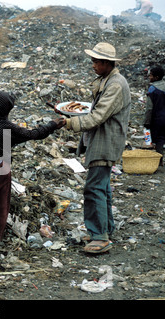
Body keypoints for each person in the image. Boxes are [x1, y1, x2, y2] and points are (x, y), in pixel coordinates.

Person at [0, 89, 66, 259]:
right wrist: (53, 124)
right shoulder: (7, 126)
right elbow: (34, 134)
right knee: (2, 206)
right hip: (4, 169)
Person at [61, 42, 131, 254]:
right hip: (102, 139)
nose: (92, 65)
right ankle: (106, 228)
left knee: (94, 188)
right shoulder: (106, 80)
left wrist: (69, 122)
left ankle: (100, 237)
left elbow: (98, 116)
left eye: (95, 62)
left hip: (106, 140)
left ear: (106, 63)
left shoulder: (116, 85)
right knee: (103, 187)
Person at [144, 66, 165, 166]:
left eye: (150, 75)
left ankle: (160, 160)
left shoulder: (152, 88)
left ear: (156, 77)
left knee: (159, 138)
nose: (149, 77)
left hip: (158, 118)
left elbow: (149, 108)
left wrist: (147, 121)